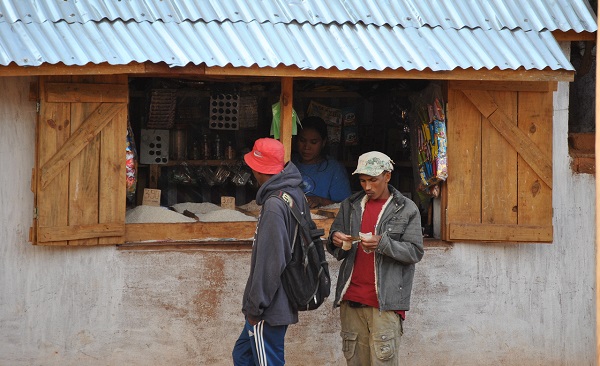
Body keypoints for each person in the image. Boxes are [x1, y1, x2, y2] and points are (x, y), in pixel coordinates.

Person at [326, 151, 424, 366]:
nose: (367, 187)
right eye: (362, 181)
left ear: (387, 176)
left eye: (373, 180)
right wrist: (336, 239)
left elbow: (415, 252)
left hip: (385, 303)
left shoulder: (406, 209)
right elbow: (338, 249)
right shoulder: (349, 205)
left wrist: (383, 244)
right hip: (351, 299)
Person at [232, 138, 309, 366]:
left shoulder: (275, 205)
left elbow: (271, 262)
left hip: (271, 304)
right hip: (274, 300)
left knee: (268, 361)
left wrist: (256, 308)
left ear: (257, 169)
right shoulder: (294, 194)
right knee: (243, 355)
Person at [293, 116, 351, 208]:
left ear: (323, 142)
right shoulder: (289, 164)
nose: (306, 147)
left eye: (313, 142)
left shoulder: (334, 169)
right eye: (302, 140)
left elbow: (346, 207)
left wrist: (320, 200)